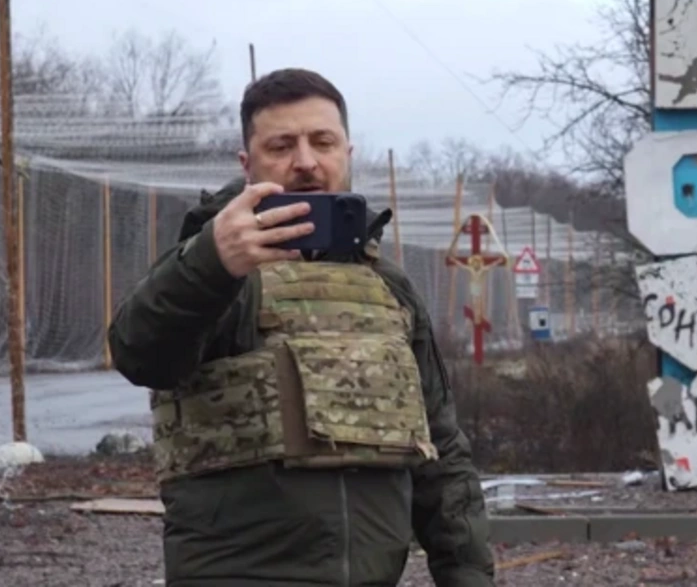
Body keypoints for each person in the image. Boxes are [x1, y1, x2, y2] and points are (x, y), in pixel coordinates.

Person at [108, 67, 495, 587]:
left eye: (323, 142)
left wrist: (468, 577)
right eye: (282, 145)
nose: (306, 161)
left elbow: (442, 456)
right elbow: (139, 352)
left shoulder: (389, 287)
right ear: (247, 164)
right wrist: (212, 262)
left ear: (347, 154)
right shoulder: (215, 271)